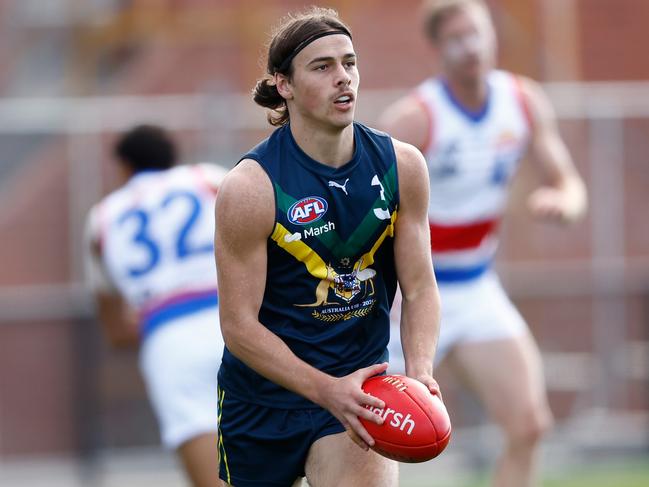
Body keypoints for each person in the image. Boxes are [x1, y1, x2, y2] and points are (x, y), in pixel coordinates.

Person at [214, 7, 442, 487]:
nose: (344, 79)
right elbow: (238, 327)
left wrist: (418, 373)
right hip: (262, 401)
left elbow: (420, 288)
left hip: (359, 396)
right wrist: (324, 390)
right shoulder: (251, 188)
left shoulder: (402, 167)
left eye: (350, 63)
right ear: (285, 85)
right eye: (322, 67)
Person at [379, 1, 588, 486]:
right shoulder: (416, 118)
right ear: (437, 49)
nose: (469, 47)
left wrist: (562, 202)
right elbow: (364, 204)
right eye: (455, 39)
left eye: (475, 33)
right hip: (406, 295)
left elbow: (570, 184)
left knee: (529, 424)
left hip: (475, 287)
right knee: (368, 442)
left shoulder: (523, 101)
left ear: (492, 34)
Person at [83, 124, 227, 487]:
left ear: (124, 168)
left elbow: (116, 331)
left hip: (169, 338)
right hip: (236, 321)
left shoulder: (102, 218)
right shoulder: (207, 177)